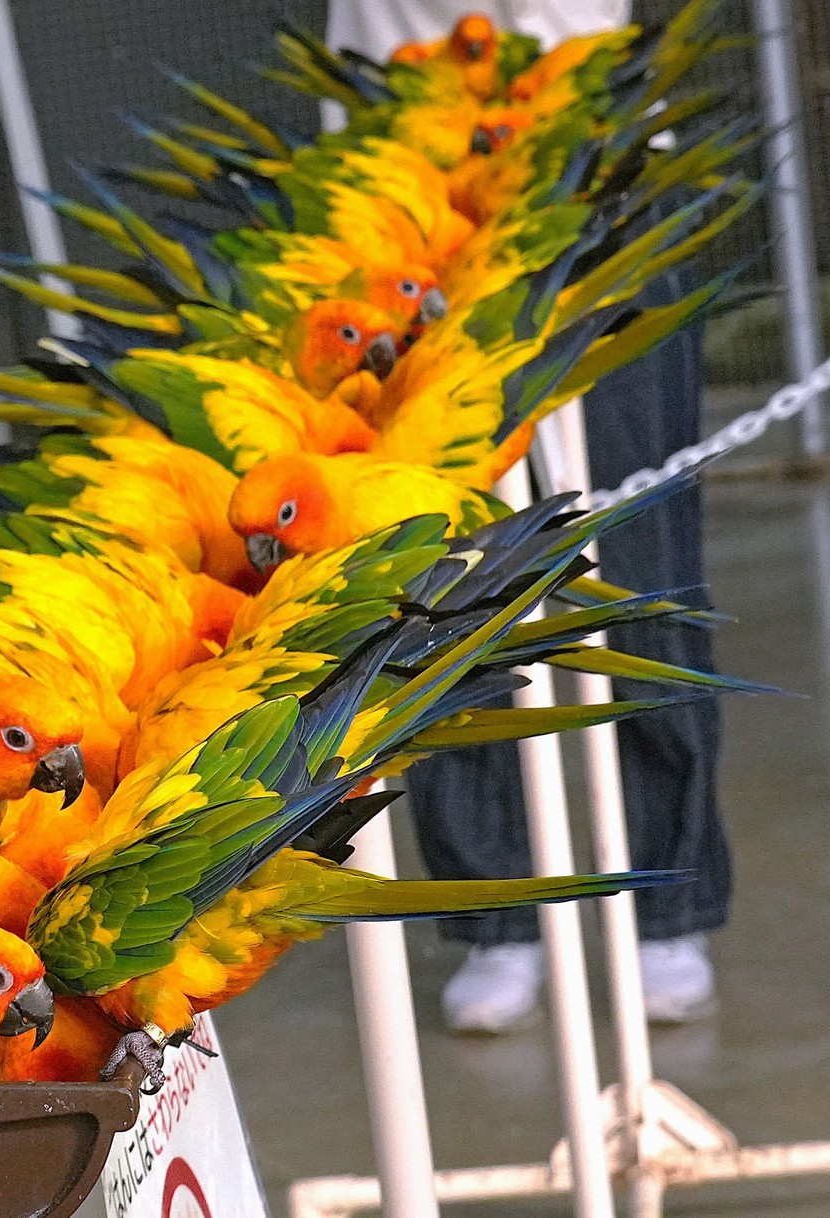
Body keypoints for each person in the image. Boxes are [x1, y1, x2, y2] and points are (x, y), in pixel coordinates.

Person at [326, 0, 728, 1032]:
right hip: (413, 194)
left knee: (639, 563)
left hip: (601, 185)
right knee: (448, 580)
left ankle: (664, 902)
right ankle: (498, 913)